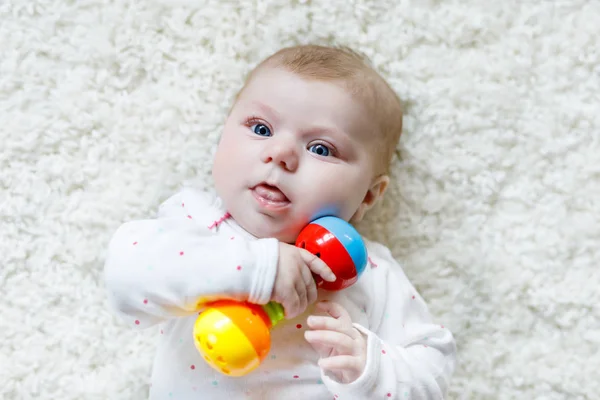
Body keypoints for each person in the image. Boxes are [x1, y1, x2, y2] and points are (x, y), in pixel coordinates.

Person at [104, 44, 457, 399]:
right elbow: (124, 278)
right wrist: (256, 270)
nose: (281, 154)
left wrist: (370, 368)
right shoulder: (198, 223)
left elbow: (433, 369)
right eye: (260, 128)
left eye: (320, 148)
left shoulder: (366, 272)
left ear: (368, 195)